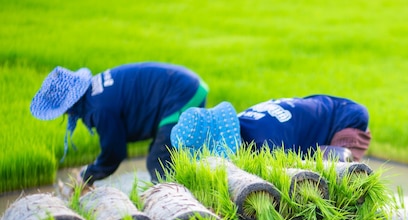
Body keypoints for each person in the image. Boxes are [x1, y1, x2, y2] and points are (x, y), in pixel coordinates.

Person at [30, 62, 209, 185]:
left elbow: (114, 151)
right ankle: (189, 189)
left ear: (69, 105)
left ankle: (174, 213)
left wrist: (88, 175)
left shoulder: (98, 109)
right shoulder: (93, 91)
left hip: (184, 94)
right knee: (164, 152)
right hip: (181, 87)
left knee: (159, 160)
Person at [170, 95, 371, 162]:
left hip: (345, 119)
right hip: (315, 108)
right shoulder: (238, 122)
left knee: (331, 170)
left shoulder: (265, 144)